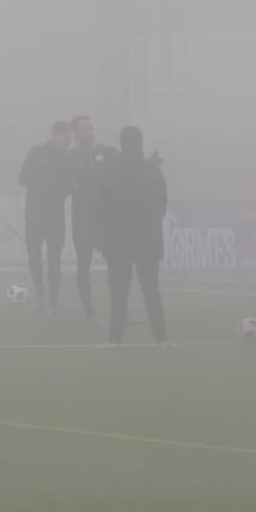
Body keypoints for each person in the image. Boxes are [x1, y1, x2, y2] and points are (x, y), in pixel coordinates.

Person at [94, 125, 168, 345]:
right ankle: (161, 339)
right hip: (148, 240)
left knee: (118, 292)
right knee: (152, 290)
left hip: (118, 241)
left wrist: (106, 234)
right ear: (141, 142)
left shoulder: (110, 171)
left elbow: (99, 208)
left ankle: (114, 340)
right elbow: (162, 206)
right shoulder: (153, 172)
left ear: (121, 143)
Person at [66, 115, 120, 324]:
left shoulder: (105, 151)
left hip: (105, 218)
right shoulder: (71, 157)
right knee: (84, 264)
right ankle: (90, 313)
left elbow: (125, 162)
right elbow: (70, 181)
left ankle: (120, 309)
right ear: (76, 133)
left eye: (91, 128)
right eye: (85, 129)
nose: (90, 132)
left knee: (116, 263)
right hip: (83, 219)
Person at [19, 121, 73, 312]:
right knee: (33, 257)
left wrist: (61, 193)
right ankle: (40, 293)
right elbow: (23, 177)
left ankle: (54, 300)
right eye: (65, 138)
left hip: (55, 215)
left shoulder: (69, 158)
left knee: (55, 260)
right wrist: (44, 188)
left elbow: (71, 184)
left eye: (70, 139)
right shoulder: (36, 153)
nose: (68, 142)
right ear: (54, 135)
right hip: (34, 214)